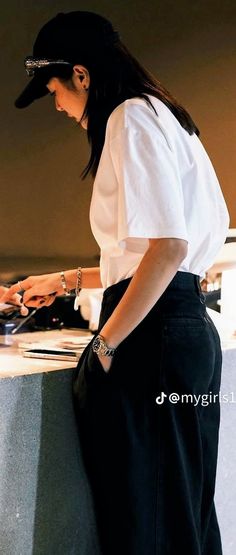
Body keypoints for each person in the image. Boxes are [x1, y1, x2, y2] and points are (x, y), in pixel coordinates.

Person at [0, 10, 230, 555]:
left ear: (82, 75)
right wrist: (63, 279)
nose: (56, 105)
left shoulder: (127, 116)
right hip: (186, 338)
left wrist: (105, 345)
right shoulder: (169, 116)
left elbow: (167, 249)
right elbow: (162, 259)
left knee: (145, 520)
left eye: (55, 89)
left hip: (152, 344)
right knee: (180, 512)